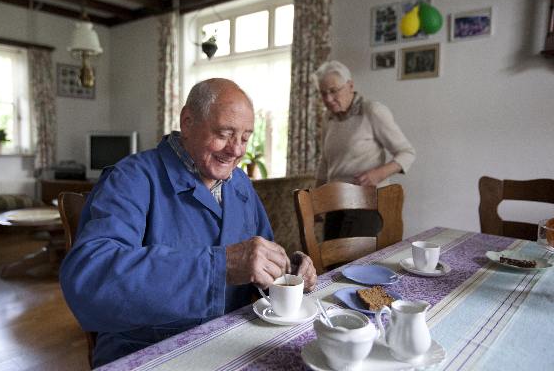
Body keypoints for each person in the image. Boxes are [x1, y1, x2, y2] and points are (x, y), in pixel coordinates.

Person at [59, 78, 317, 367]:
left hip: (233, 341)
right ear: (188, 121)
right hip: (152, 349)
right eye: (224, 133)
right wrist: (220, 266)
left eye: (245, 138)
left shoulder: (240, 184)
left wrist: (285, 273)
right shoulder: (131, 179)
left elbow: (259, 258)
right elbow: (89, 281)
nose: (236, 150)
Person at [314, 60, 416, 240]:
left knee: (353, 263)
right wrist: (315, 200)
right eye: (323, 93)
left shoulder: (372, 111)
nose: (328, 99)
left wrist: (379, 173)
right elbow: (325, 161)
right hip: (335, 202)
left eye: (333, 91)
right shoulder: (327, 118)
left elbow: (407, 153)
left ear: (350, 85)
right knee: (331, 262)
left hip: (366, 203)